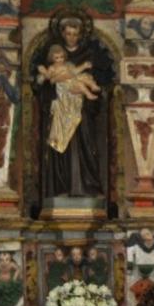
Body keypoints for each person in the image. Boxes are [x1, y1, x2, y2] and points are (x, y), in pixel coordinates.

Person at [33, 16, 113, 201]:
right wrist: (51, 82)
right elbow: (41, 84)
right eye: (68, 34)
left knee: (86, 144)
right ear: (62, 34)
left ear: (80, 35)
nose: (71, 38)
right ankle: (60, 188)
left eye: (75, 34)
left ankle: (88, 186)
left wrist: (90, 95)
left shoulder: (91, 55)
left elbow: (103, 85)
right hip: (60, 108)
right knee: (61, 147)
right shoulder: (52, 58)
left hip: (83, 110)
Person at [36, 44, 102, 155]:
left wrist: (83, 67)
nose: (60, 60)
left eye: (61, 57)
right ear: (52, 58)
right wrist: (44, 72)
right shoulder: (52, 68)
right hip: (64, 89)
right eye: (57, 58)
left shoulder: (68, 65)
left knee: (84, 78)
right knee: (80, 84)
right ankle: (88, 93)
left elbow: (74, 72)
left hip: (72, 84)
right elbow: (46, 78)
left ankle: (92, 87)